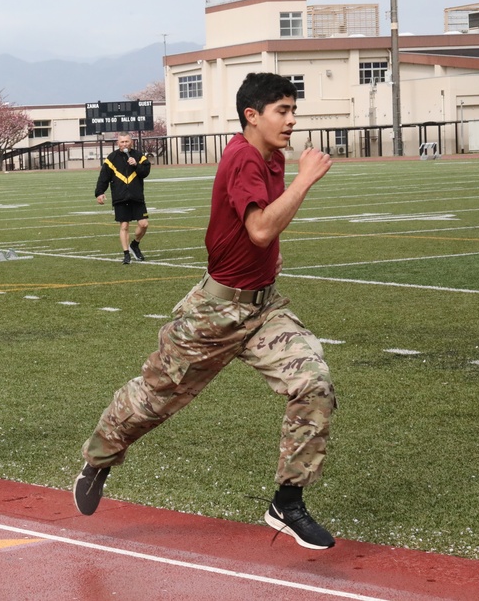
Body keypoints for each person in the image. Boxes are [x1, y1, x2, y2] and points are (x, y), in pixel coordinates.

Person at [73, 73, 336, 550]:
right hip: (215, 312)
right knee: (154, 399)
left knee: (314, 383)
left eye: (294, 110)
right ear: (252, 115)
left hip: (263, 308)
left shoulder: (272, 157)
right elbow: (259, 229)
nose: (293, 120)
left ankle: (288, 499)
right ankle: (99, 457)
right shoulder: (241, 157)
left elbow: (260, 238)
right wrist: (306, 180)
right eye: (283, 110)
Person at [95, 133, 150, 264]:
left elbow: (145, 173)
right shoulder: (111, 158)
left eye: (127, 141)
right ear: (117, 143)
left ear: (131, 142)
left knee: (144, 224)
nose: (124, 144)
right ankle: (126, 254)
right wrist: (99, 192)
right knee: (124, 225)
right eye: (122, 142)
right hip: (120, 196)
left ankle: (135, 244)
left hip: (136, 196)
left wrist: (136, 165)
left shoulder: (139, 156)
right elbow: (104, 177)